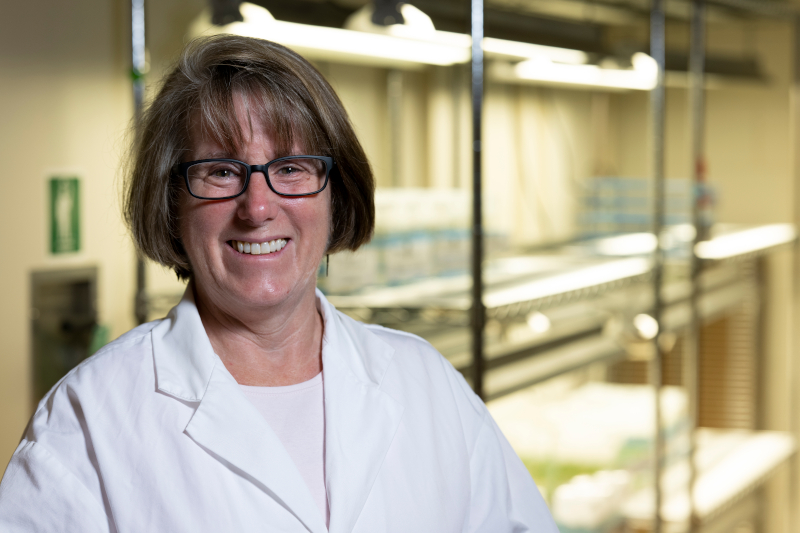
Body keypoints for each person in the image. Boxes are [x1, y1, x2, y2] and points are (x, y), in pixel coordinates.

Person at [0, 35, 557, 532]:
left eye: (291, 167)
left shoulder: (426, 383)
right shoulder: (90, 416)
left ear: (335, 194)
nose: (258, 206)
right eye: (220, 171)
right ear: (172, 203)